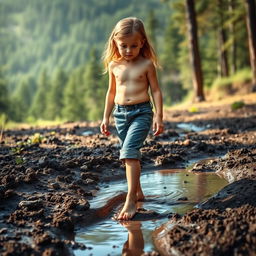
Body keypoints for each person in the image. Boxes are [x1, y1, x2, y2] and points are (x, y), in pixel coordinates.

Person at [100, 17, 164, 220]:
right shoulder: (113, 65)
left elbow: (156, 90)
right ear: (115, 43)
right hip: (120, 114)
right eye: (123, 46)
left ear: (142, 42)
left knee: (128, 153)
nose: (128, 50)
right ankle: (138, 191)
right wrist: (105, 117)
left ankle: (130, 200)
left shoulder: (147, 64)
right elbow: (111, 92)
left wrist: (159, 116)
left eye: (133, 46)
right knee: (130, 154)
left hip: (142, 113)